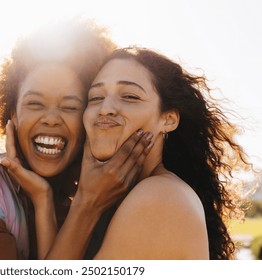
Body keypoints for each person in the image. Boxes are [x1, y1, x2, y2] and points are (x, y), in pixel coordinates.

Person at [0, 19, 152, 260]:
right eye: (35, 103)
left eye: (70, 106)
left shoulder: (92, 197)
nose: (51, 119)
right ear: (12, 113)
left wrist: (46, 201)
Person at [23, 47, 252, 259]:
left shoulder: (159, 196)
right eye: (95, 97)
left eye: (129, 96)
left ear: (168, 119)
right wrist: (43, 200)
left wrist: (85, 202)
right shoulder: (121, 196)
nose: (105, 108)